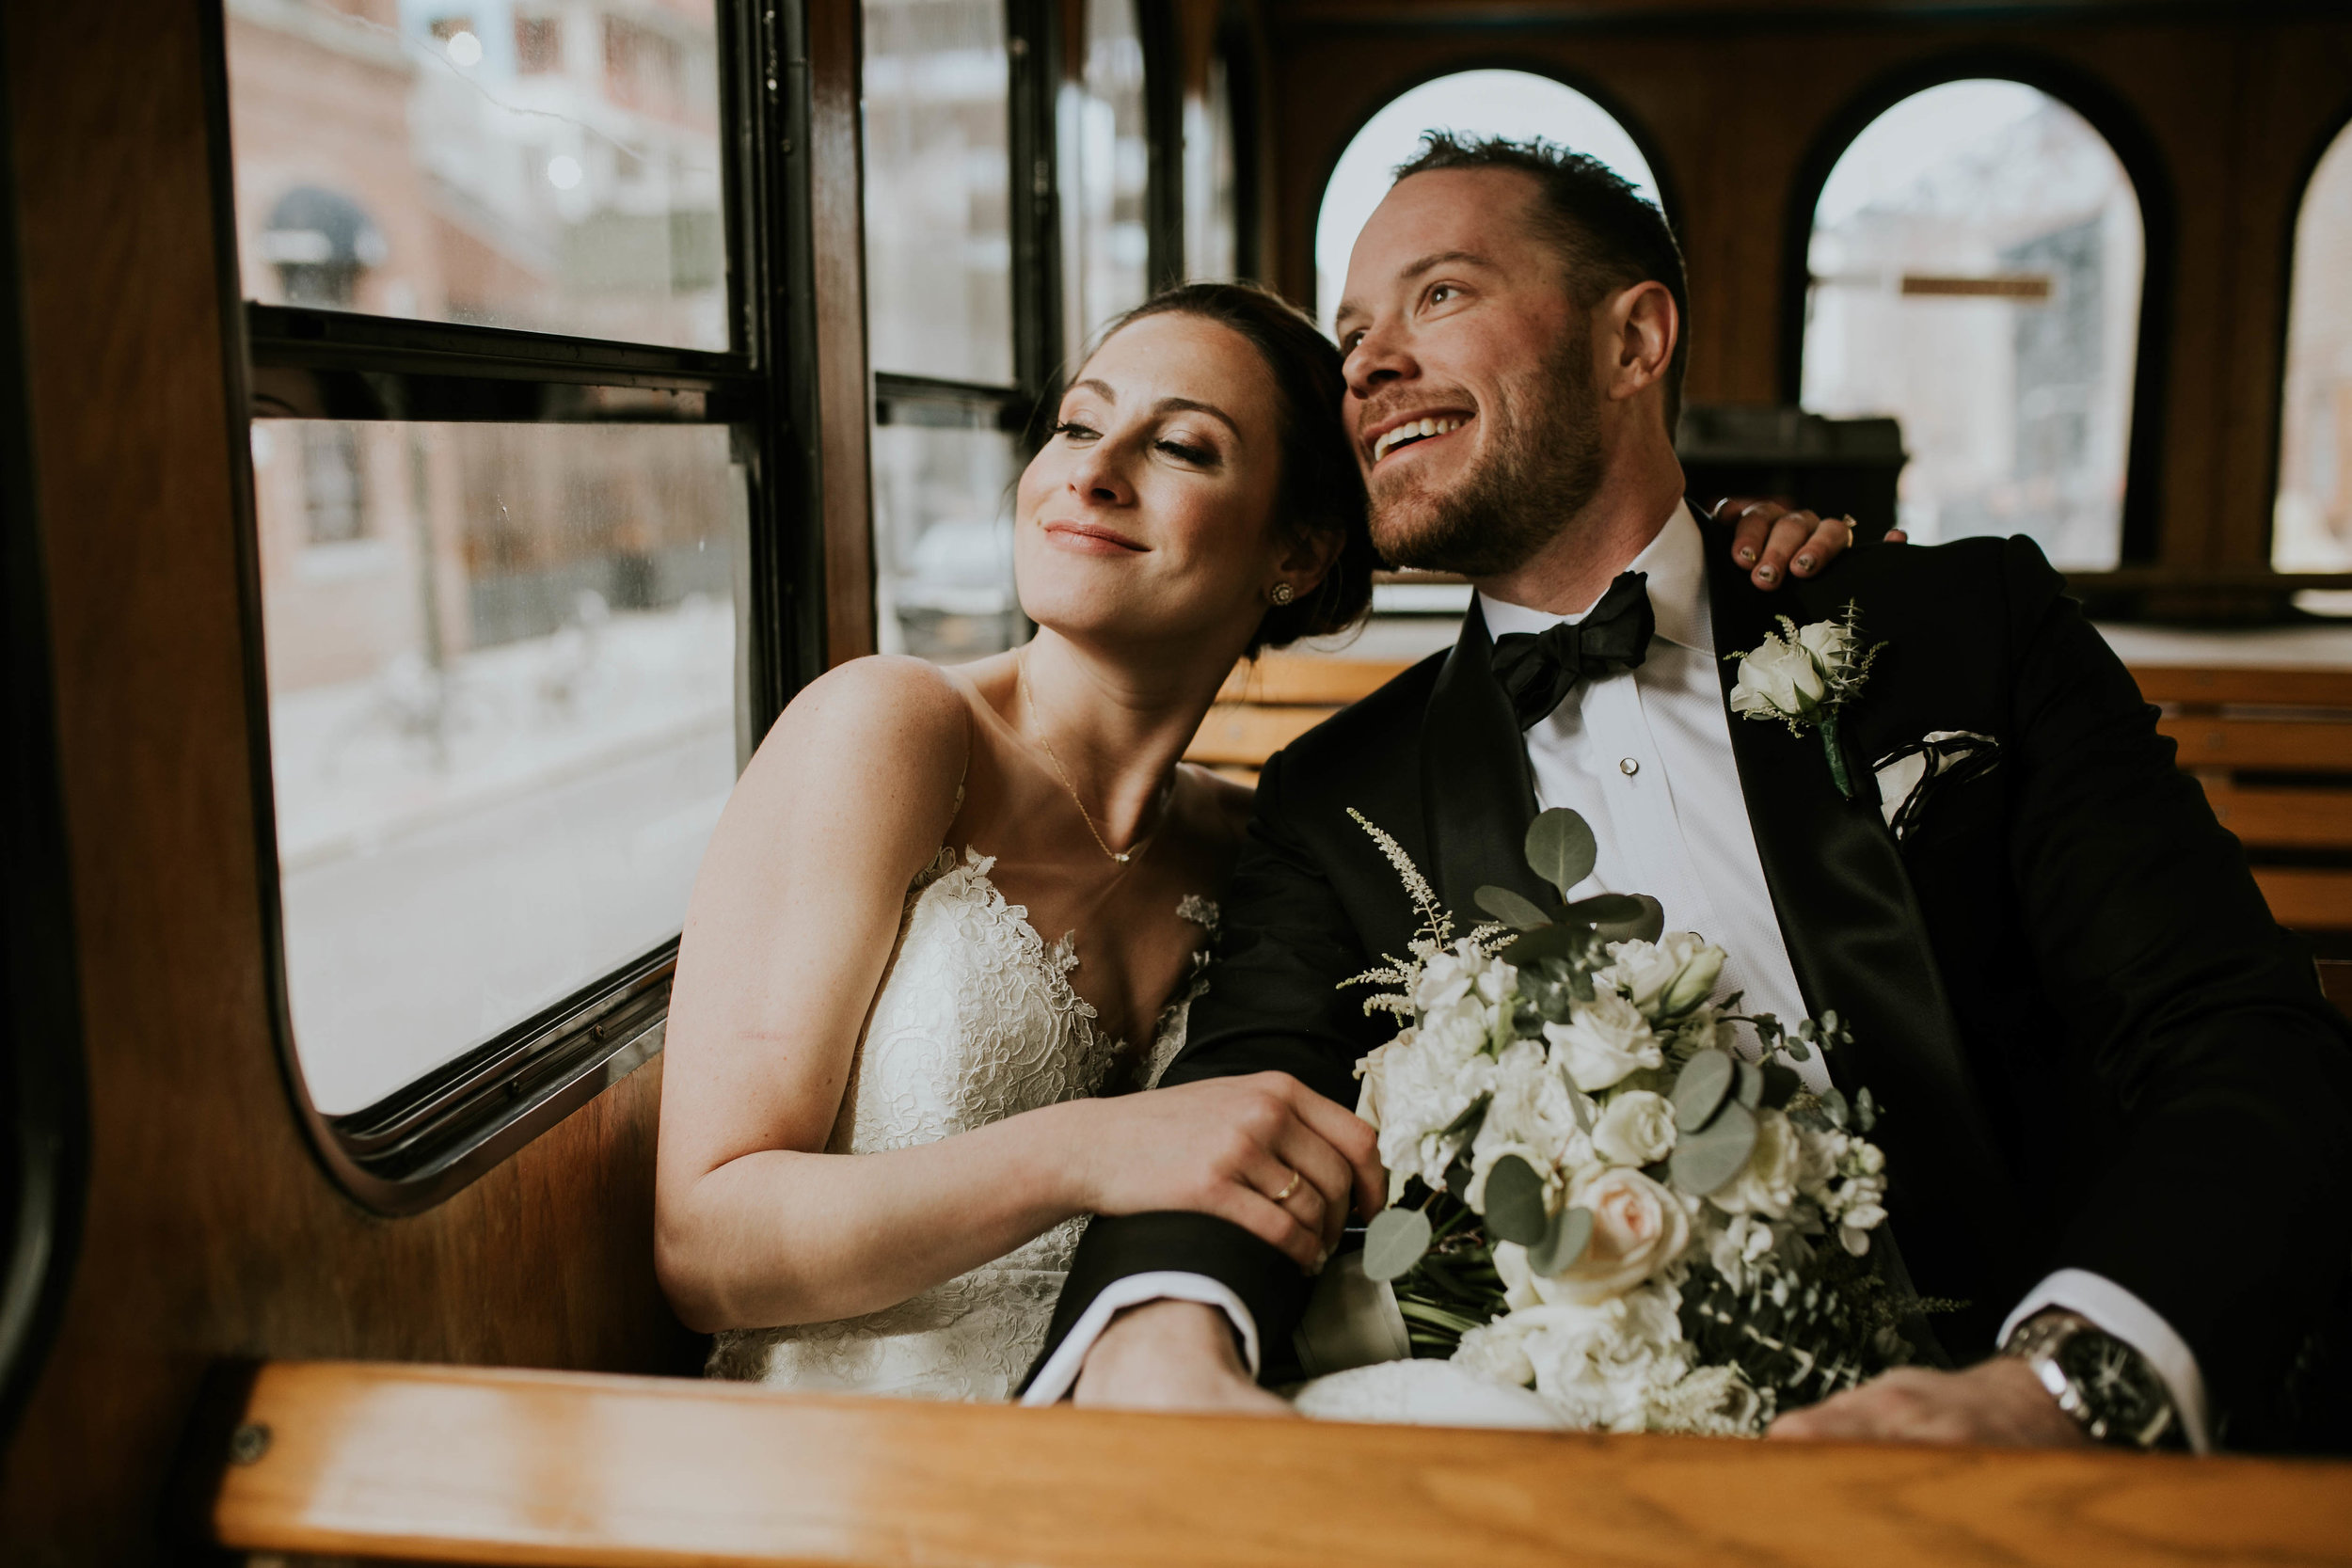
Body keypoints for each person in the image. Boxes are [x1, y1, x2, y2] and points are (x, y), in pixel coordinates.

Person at [1025, 135, 2352, 1453]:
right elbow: (1241, 1099)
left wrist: (2056, 1388)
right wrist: (1165, 1337)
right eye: (1352, 328)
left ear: (1633, 339)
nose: (1364, 362)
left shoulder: (1960, 630)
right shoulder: (1335, 797)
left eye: (1440, 294)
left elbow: (2237, 1038)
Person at [653, 278, 1854, 1402]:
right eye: (1077, 427)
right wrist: (1091, 1149)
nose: (1095, 473)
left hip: (1174, 1441)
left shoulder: (1273, 843)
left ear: (1296, 553)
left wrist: (1753, 567)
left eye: (1179, 446)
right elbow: (704, 1244)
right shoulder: (891, 727)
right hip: (832, 1467)